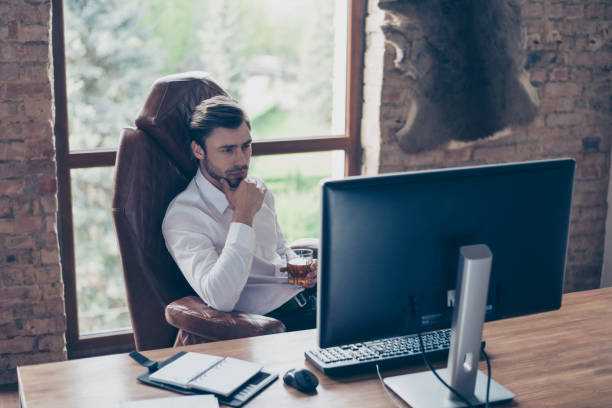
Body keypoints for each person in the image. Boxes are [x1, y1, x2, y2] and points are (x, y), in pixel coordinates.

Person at [162, 95, 317, 331]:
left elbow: (277, 250)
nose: (241, 160)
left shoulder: (256, 188)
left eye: (246, 146)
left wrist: (301, 272)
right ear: (198, 150)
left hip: (310, 303)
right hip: (271, 325)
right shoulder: (184, 216)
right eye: (227, 150)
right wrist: (243, 215)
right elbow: (220, 298)